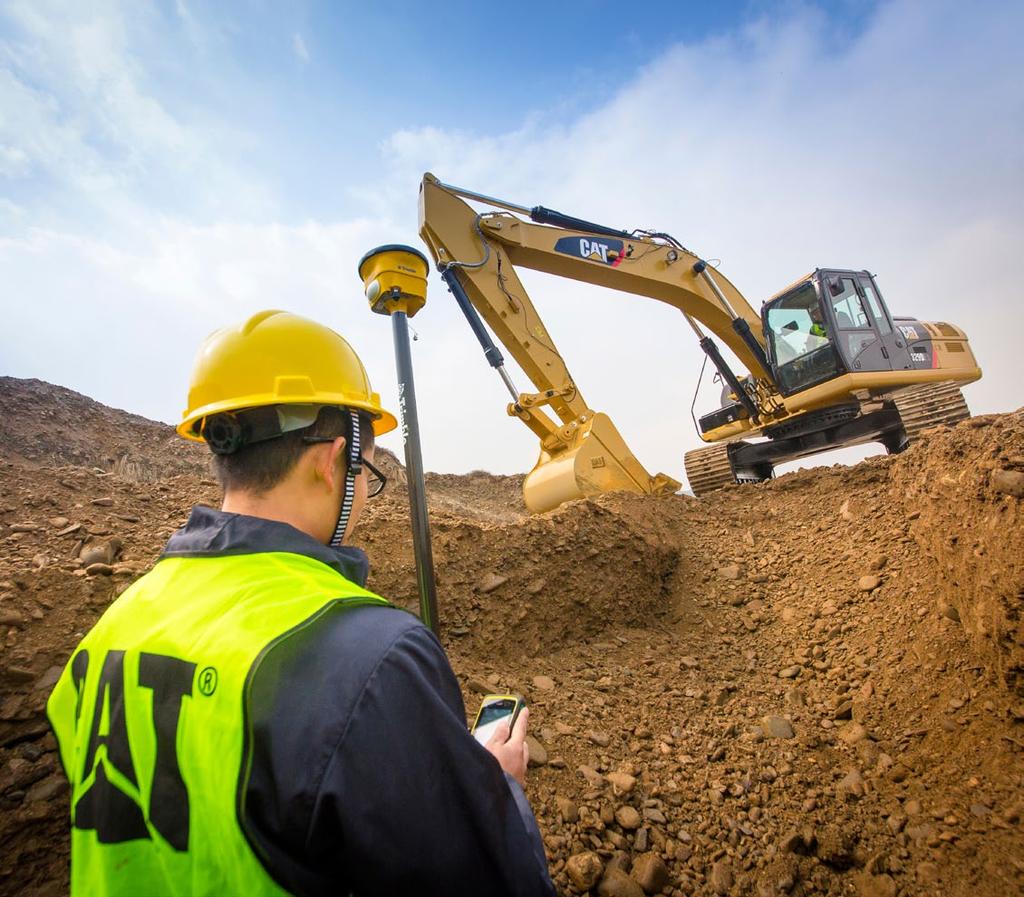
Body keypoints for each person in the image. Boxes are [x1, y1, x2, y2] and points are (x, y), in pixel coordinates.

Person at [47, 310, 556, 897]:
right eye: (364, 468)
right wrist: (495, 791)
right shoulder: (373, 656)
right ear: (330, 458)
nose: (363, 487)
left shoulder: (113, 627)